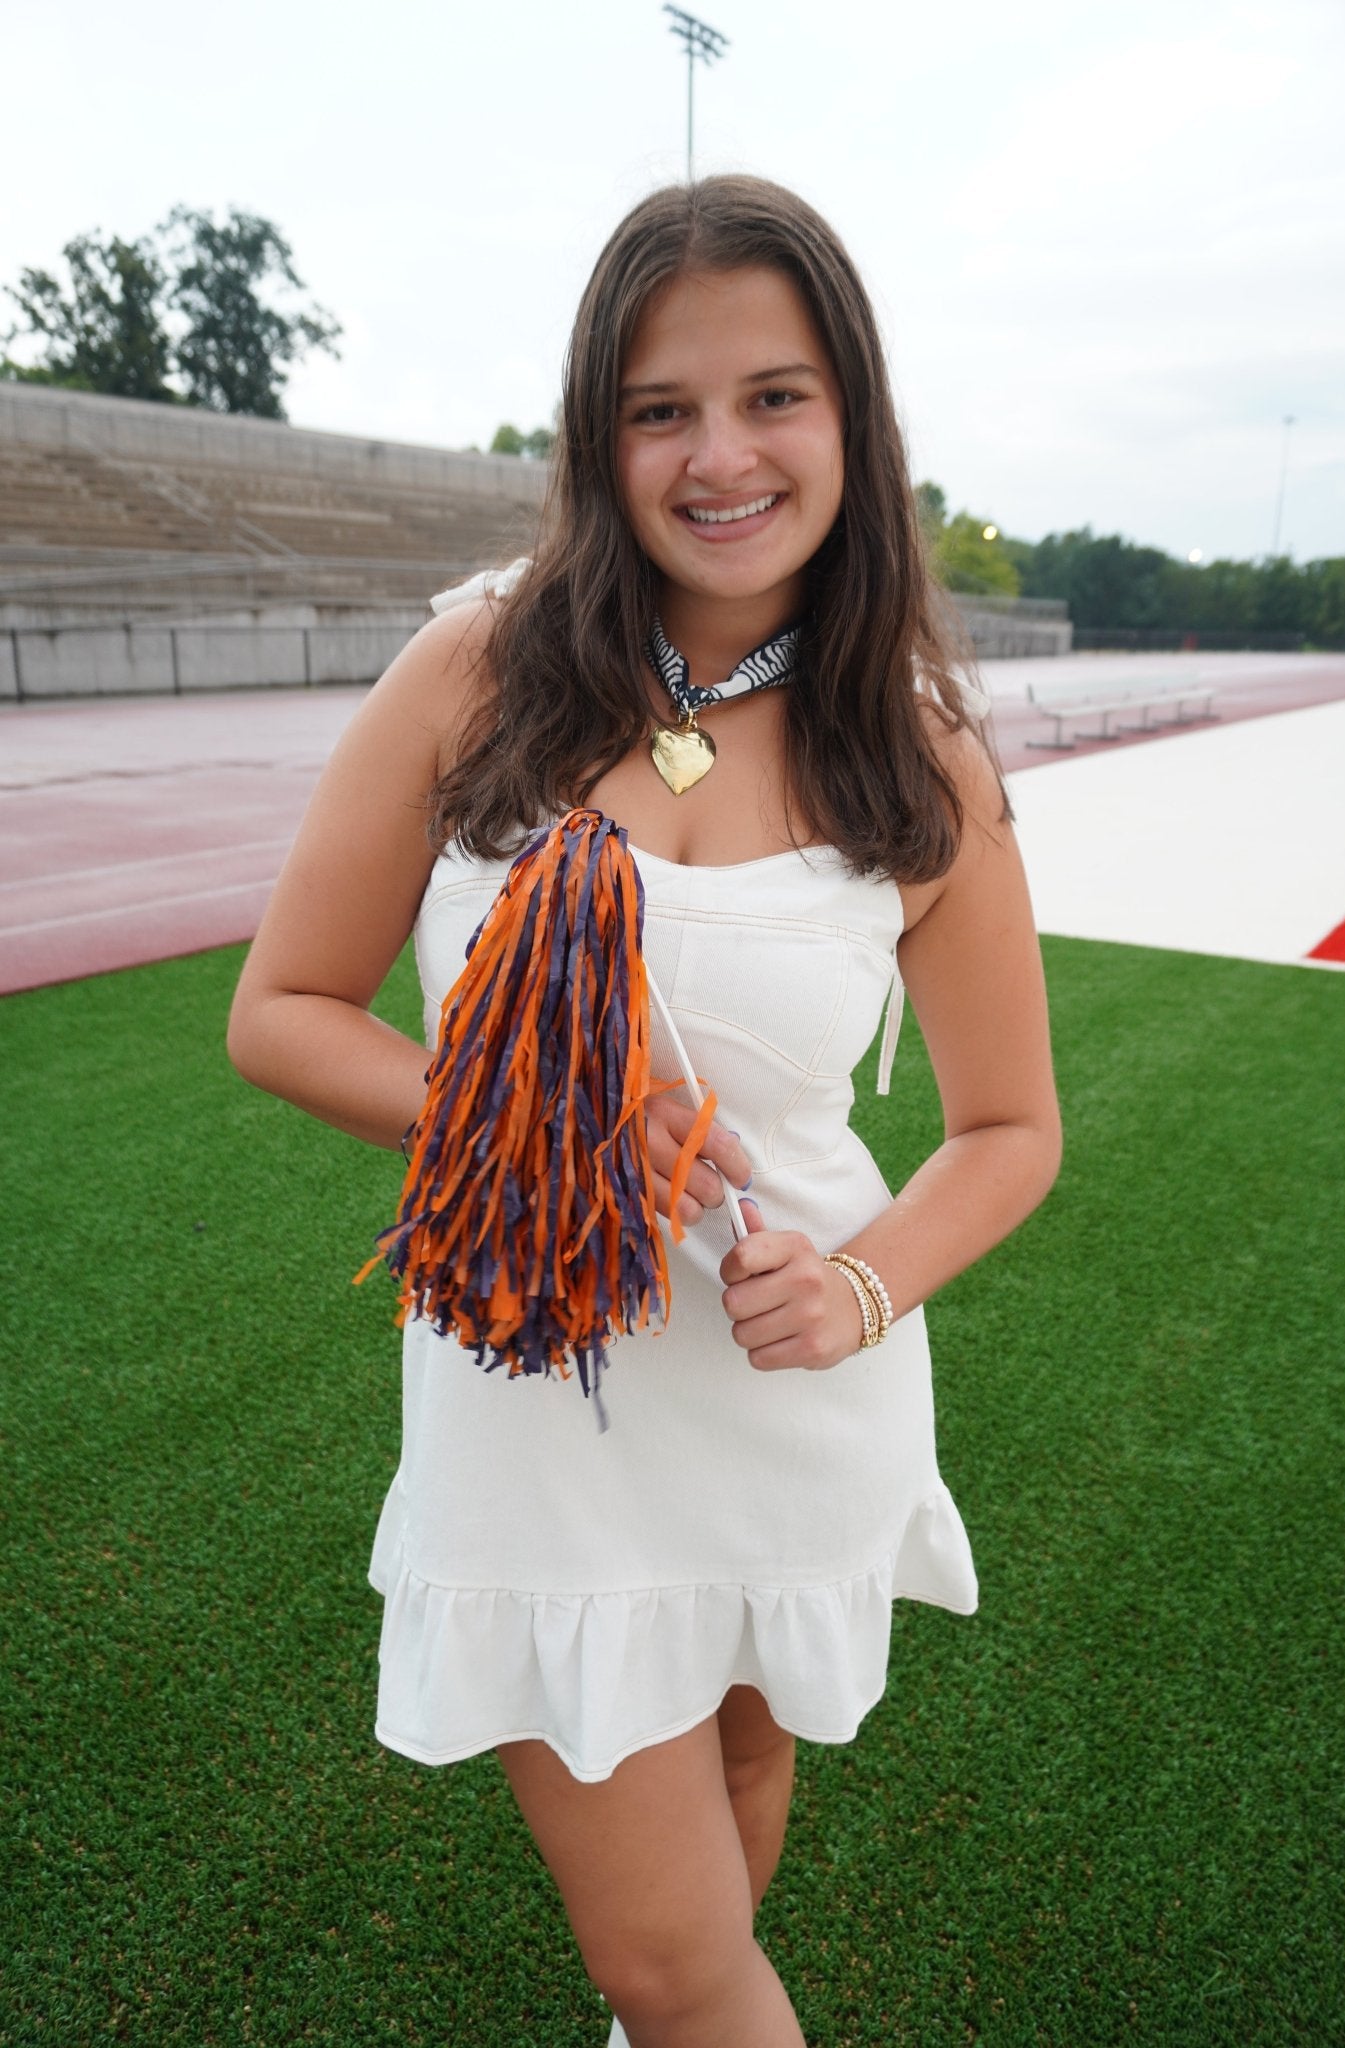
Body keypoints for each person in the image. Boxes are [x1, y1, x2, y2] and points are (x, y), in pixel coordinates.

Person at [228, 175, 1061, 2048]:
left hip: (797, 1397)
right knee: (672, 1967)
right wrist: (542, 1127)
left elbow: (1008, 1126)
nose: (719, 456)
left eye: (773, 396)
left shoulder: (913, 742)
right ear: (594, 431)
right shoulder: (477, 669)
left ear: (850, 413)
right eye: (658, 408)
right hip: (538, 1402)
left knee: (747, 1770)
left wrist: (859, 1292)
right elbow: (281, 1013)